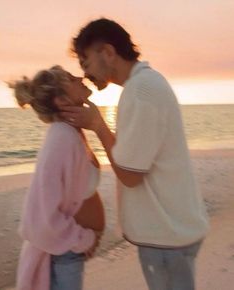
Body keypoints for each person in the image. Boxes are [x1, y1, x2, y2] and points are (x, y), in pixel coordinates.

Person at [60, 18, 209, 290]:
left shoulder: (141, 91)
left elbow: (130, 175)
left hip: (167, 235)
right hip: (172, 230)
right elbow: (132, 155)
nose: (86, 73)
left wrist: (97, 125)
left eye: (86, 62)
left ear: (107, 52)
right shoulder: (143, 85)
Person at [11, 65, 105, 290]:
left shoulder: (71, 132)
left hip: (66, 252)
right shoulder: (62, 137)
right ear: (62, 101)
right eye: (72, 79)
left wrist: (96, 124)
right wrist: (82, 240)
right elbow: (42, 215)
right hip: (62, 252)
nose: (81, 77)